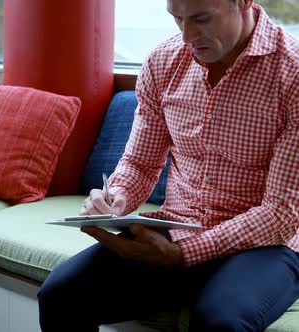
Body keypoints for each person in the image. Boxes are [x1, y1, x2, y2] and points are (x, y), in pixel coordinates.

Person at [38, 0, 299, 331]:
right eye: (177, 19)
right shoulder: (163, 61)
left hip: (265, 245)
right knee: (60, 295)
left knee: (220, 322)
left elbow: (280, 214)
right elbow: (140, 163)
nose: (187, 36)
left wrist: (183, 254)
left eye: (201, 19)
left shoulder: (293, 73)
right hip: (177, 227)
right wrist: (115, 198)